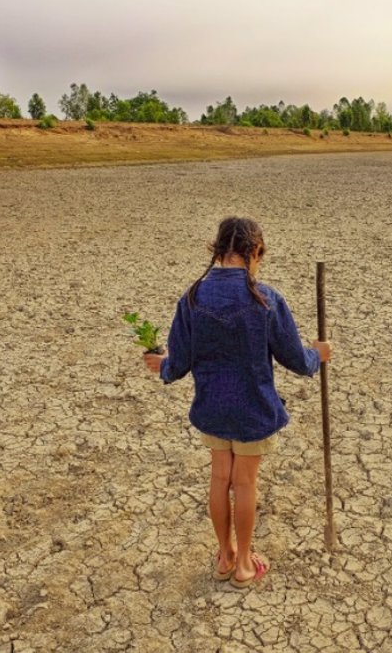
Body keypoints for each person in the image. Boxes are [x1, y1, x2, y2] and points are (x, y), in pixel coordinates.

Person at [143, 216, 332, 588]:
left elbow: (179, 364)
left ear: (217, 250)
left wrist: (162, 366)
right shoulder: (267, 299)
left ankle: (225, 554)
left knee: (219, 479)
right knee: (244, 484)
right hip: (253, 408)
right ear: (255, 252)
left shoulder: (192, 297)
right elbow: (294, 359)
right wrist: (318, 355)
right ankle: (244, 562)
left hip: (212, 407)